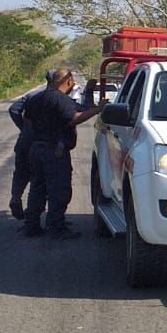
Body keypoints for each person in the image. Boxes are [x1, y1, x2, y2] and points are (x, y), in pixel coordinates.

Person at [20, 69, 105, 239]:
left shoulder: (35, 98)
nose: (72, 85)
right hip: (54, 151)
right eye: (71, 83)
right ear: (67, 82)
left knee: (38, 188)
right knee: (59, 190)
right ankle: (56, 228)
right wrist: (97, 110)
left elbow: (26, 119)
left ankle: (32, 226)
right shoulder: (61, 99)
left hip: (36, 148)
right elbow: (74, 118)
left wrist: (42, 128)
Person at [7, 69, 56, 219]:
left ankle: (16, 198)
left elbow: (14, 109)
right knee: (40, 178)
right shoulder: (55, 98)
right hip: (43, 143)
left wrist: (24, 127)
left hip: (25, 141)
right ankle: (35, 213)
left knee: (21, 172)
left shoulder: (32, 96)